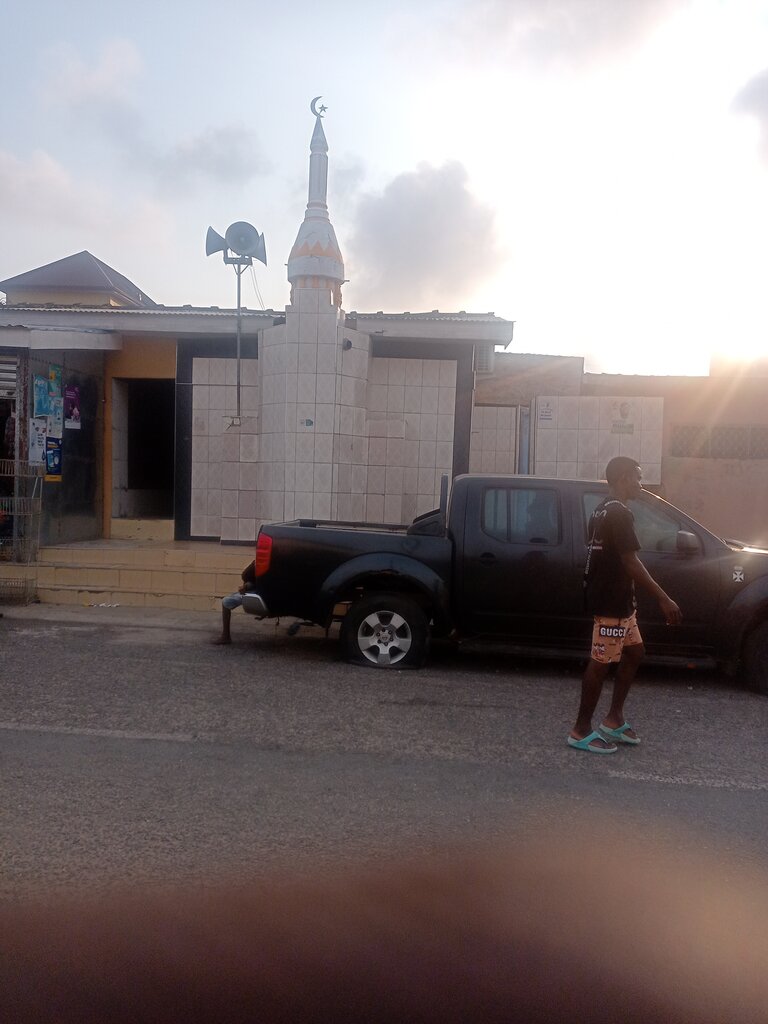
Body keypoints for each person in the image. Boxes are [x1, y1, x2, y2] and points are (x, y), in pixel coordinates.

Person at [568, 456, 682, 753]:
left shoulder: (601, 509)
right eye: (637, 477)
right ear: (623, 478)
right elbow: (630, 561)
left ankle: (613, 719)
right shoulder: (619, 514)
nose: (640, 483)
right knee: (601, 662)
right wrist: (664, 598)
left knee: (635, 652)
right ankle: (581, 729)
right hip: (612, 602)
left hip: (618, 601)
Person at [212, 560, 256, 645]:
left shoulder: (262, 562)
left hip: (262, 592)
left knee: (226, 601)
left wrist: (246, 586)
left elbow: (245, 575)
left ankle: (226, 636)